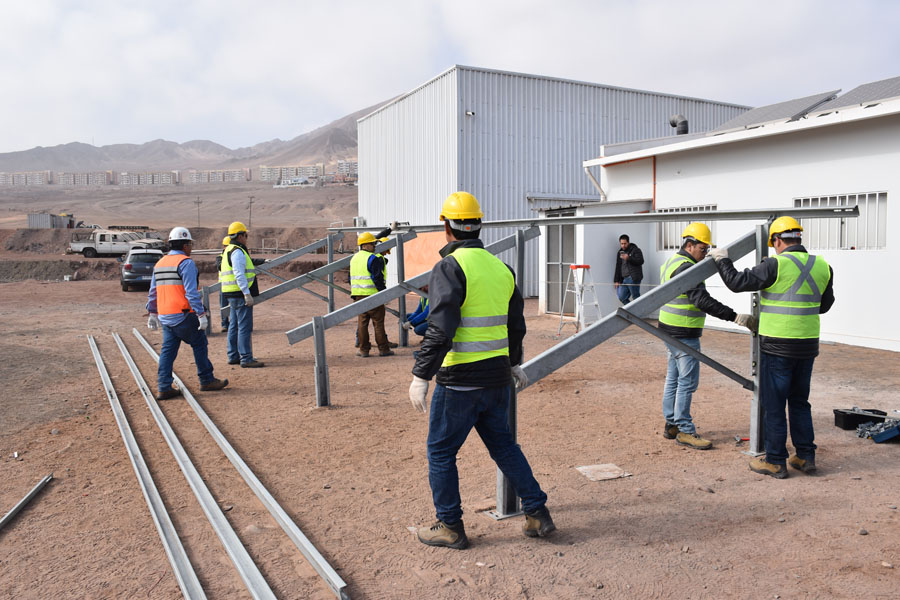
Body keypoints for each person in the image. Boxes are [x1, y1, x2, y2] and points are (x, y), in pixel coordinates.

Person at [409, 191, 554, 550]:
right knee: (504, 447)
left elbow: (441, 329)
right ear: (479, 225)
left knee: (441, 453)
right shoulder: (501, 268)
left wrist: (420, 376)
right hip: (497, 379)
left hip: (459, 381)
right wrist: (514, 363)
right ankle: (537, 513)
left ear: (446, 226)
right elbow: (515, 325)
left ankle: (450, 526)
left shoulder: (449, 267)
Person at [709, 216, 834, 478]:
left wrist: (721, 259)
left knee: (774, 404)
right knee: (799, 402)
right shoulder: (823, 266)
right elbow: (824, 305)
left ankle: (776, 461)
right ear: (798, 238)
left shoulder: (775, 264)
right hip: (807, 344)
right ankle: (804, 456)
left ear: (776, 241)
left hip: (777, 345)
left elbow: (736, 282)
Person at [658, 223, 757, 450]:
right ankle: (684, 430)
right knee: (687, 382)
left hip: (669, 328)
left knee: (673, 378)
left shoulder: (673, 262)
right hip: (683, 332)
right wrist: (734, 317)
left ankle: (671, 423)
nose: (705, 254)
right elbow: (702, 300)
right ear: (690, 245)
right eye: (703, 249)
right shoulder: (685, 269)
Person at [146, 227, 228, 400]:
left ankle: (164, 386)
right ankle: (206, 380)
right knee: (199, 344)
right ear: (185, 245)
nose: (191, 248)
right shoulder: (185, 262)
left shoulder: (160, 264)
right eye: (190, 244)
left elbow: (153, 291)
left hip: (166, 316)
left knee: (168, 351)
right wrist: (201, 314)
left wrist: (152, 312)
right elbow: (191, 292)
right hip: (184, 314)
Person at [220, 221, 264, 368]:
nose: (246, 238)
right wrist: (246, 294)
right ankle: (246, 358)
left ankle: (233, 355)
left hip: (231, 293)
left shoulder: (228, 249)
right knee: (244, 326)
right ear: (240, 236)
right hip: (239, 294)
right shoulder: (237, 251)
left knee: (234, 325)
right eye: (245, 235)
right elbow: (239, 273)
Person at [350, 232, 394, 357]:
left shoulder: (354, 258)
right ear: (365, 245)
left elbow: (350, 278)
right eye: (372, 244)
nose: (374, 246)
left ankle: (364, 350)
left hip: (358, 295)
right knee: (378, 323)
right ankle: (383, 349)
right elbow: (377, 278)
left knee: (362, 323)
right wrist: (383, 293)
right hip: (372, 295)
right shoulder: (372, 258)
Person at [613, 234, 644, 304]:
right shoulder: (620, 253)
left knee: (636, 297)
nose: (623, 245)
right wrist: (616, 280)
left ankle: (639, 314)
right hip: (624, 279)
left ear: (628, 242)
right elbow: (618, 266)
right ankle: (631, 313)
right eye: (621, 244)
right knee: (622, 297)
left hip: (633, 277)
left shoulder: (636, 250)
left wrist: (629, 258)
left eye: (625, 243)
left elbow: (641, 261)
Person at [215, 235, 231, 332]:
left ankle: (233, 324)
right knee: (224, 305)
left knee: (233, 305)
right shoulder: (219, 258)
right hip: (223, 285)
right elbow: (220, 267)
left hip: (233, 285)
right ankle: (224, 324)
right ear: (224, 247)